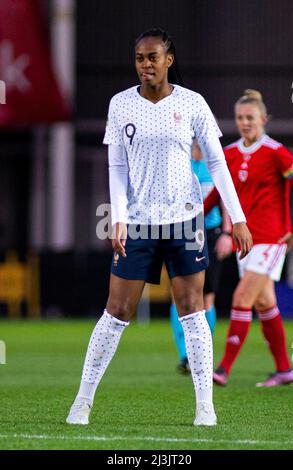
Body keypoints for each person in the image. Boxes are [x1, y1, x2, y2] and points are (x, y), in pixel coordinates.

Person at [66, 28, 252, 427]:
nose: (145, 65)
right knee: (116, 312)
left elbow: (218, 164)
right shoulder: (120, 105)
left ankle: (205, 407)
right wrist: (117, 217)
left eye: (152, 57)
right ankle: (82, 401)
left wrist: (238, 218)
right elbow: (116, 166)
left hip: (186, 222)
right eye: (139, 58)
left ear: (169, 60)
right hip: (137, 224)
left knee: (193, 309)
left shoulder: (192, 103)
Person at [204, 89, 293, 387]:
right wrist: (194, 215)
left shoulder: (276, 152)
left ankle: (223, 369)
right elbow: (219, 191)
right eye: (240, 118)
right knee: (263, 303)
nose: (245, 123)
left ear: (263, 119)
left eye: (250, 118)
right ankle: (285, 369)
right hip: (244, 241)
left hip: (272, 239)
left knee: (242, 297)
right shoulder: (230, 154)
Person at [171, 140, 233, 374]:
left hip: (212, 233)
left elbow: (225, 200)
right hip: (185, 232)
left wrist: (227, 232)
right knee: (180, 293)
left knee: (207, 296)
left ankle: (203, 352)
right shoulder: (180, 164)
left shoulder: (215, 165)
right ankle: (185, 355)